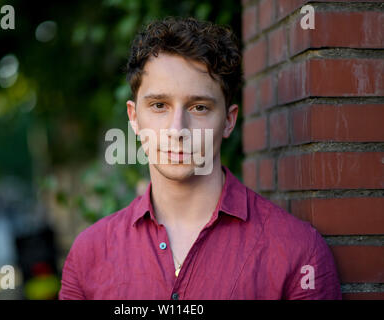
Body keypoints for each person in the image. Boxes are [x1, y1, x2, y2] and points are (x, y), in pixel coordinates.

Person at [59, 16, 342, 300]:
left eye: (199, 107)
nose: (177, 130)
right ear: (134, 118)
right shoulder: (89, 254)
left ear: (229, 121)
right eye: (159, 105)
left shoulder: (298, 252)